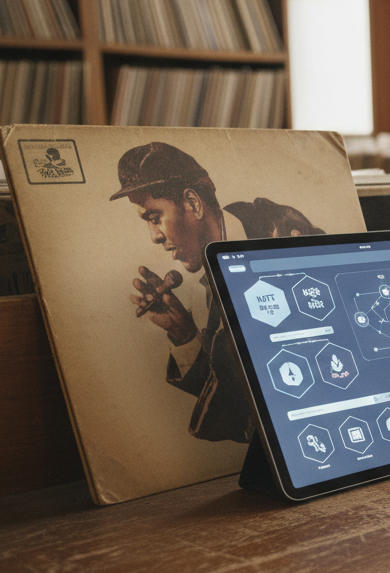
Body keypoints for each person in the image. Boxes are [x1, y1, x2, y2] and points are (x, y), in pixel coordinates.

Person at [111, 142, 324, 443]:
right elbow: (237, 396)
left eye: (155, 217)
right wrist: (184, 333)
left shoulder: (281, 237)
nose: (155, 237)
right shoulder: (213, 276)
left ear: (193, 203)